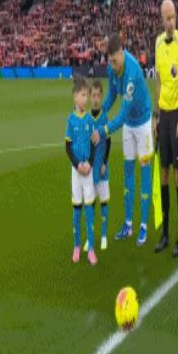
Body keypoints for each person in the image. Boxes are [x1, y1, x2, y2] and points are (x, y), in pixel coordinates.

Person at [92, 34, 153, 247]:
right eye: (109, 61)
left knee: (144, 171)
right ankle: (128, 224)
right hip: (129, 125)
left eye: (115, 60)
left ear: (122, 53)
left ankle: (143, 225)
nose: (112, 65)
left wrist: (103, 130)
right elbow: (111, 96)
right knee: (128, 170)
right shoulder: (111, 68)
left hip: (143, 123)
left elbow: (123, 113)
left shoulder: (132, 72)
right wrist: (99, 112)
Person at [153, 0, 178, 257]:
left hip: (177, 114)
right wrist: (156, 116)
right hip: (163, 116)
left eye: (173, 17)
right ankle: (165, 233)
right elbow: (158, 80)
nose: (170, 22)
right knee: (164, 174)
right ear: (161, 19)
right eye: (167, 18)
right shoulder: (158, 43)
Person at [65, 75, 97, 265]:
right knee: (77, 209)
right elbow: (68, 147)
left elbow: (93, 145)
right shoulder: (71, 120)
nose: (86, 99)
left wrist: (89, 164)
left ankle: (91, 248)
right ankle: (77, 246)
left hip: (88, 171)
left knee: (89, 209)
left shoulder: (90, 120)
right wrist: (78, 165)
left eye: (87, 95)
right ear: (76, 97)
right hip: (77, 172)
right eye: (84, 95)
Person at [82, 80, 111, 252]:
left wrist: (105, 163)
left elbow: (108, 142)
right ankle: (90, 238)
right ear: (89, 96)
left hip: (102, 167)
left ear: (101, 97)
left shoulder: (104, 117)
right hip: (90, 169)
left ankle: (104, 236)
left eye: (98, 96)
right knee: (90, 204)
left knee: (104, 202)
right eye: (93, 96)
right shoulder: (86, 118)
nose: (95, 99)